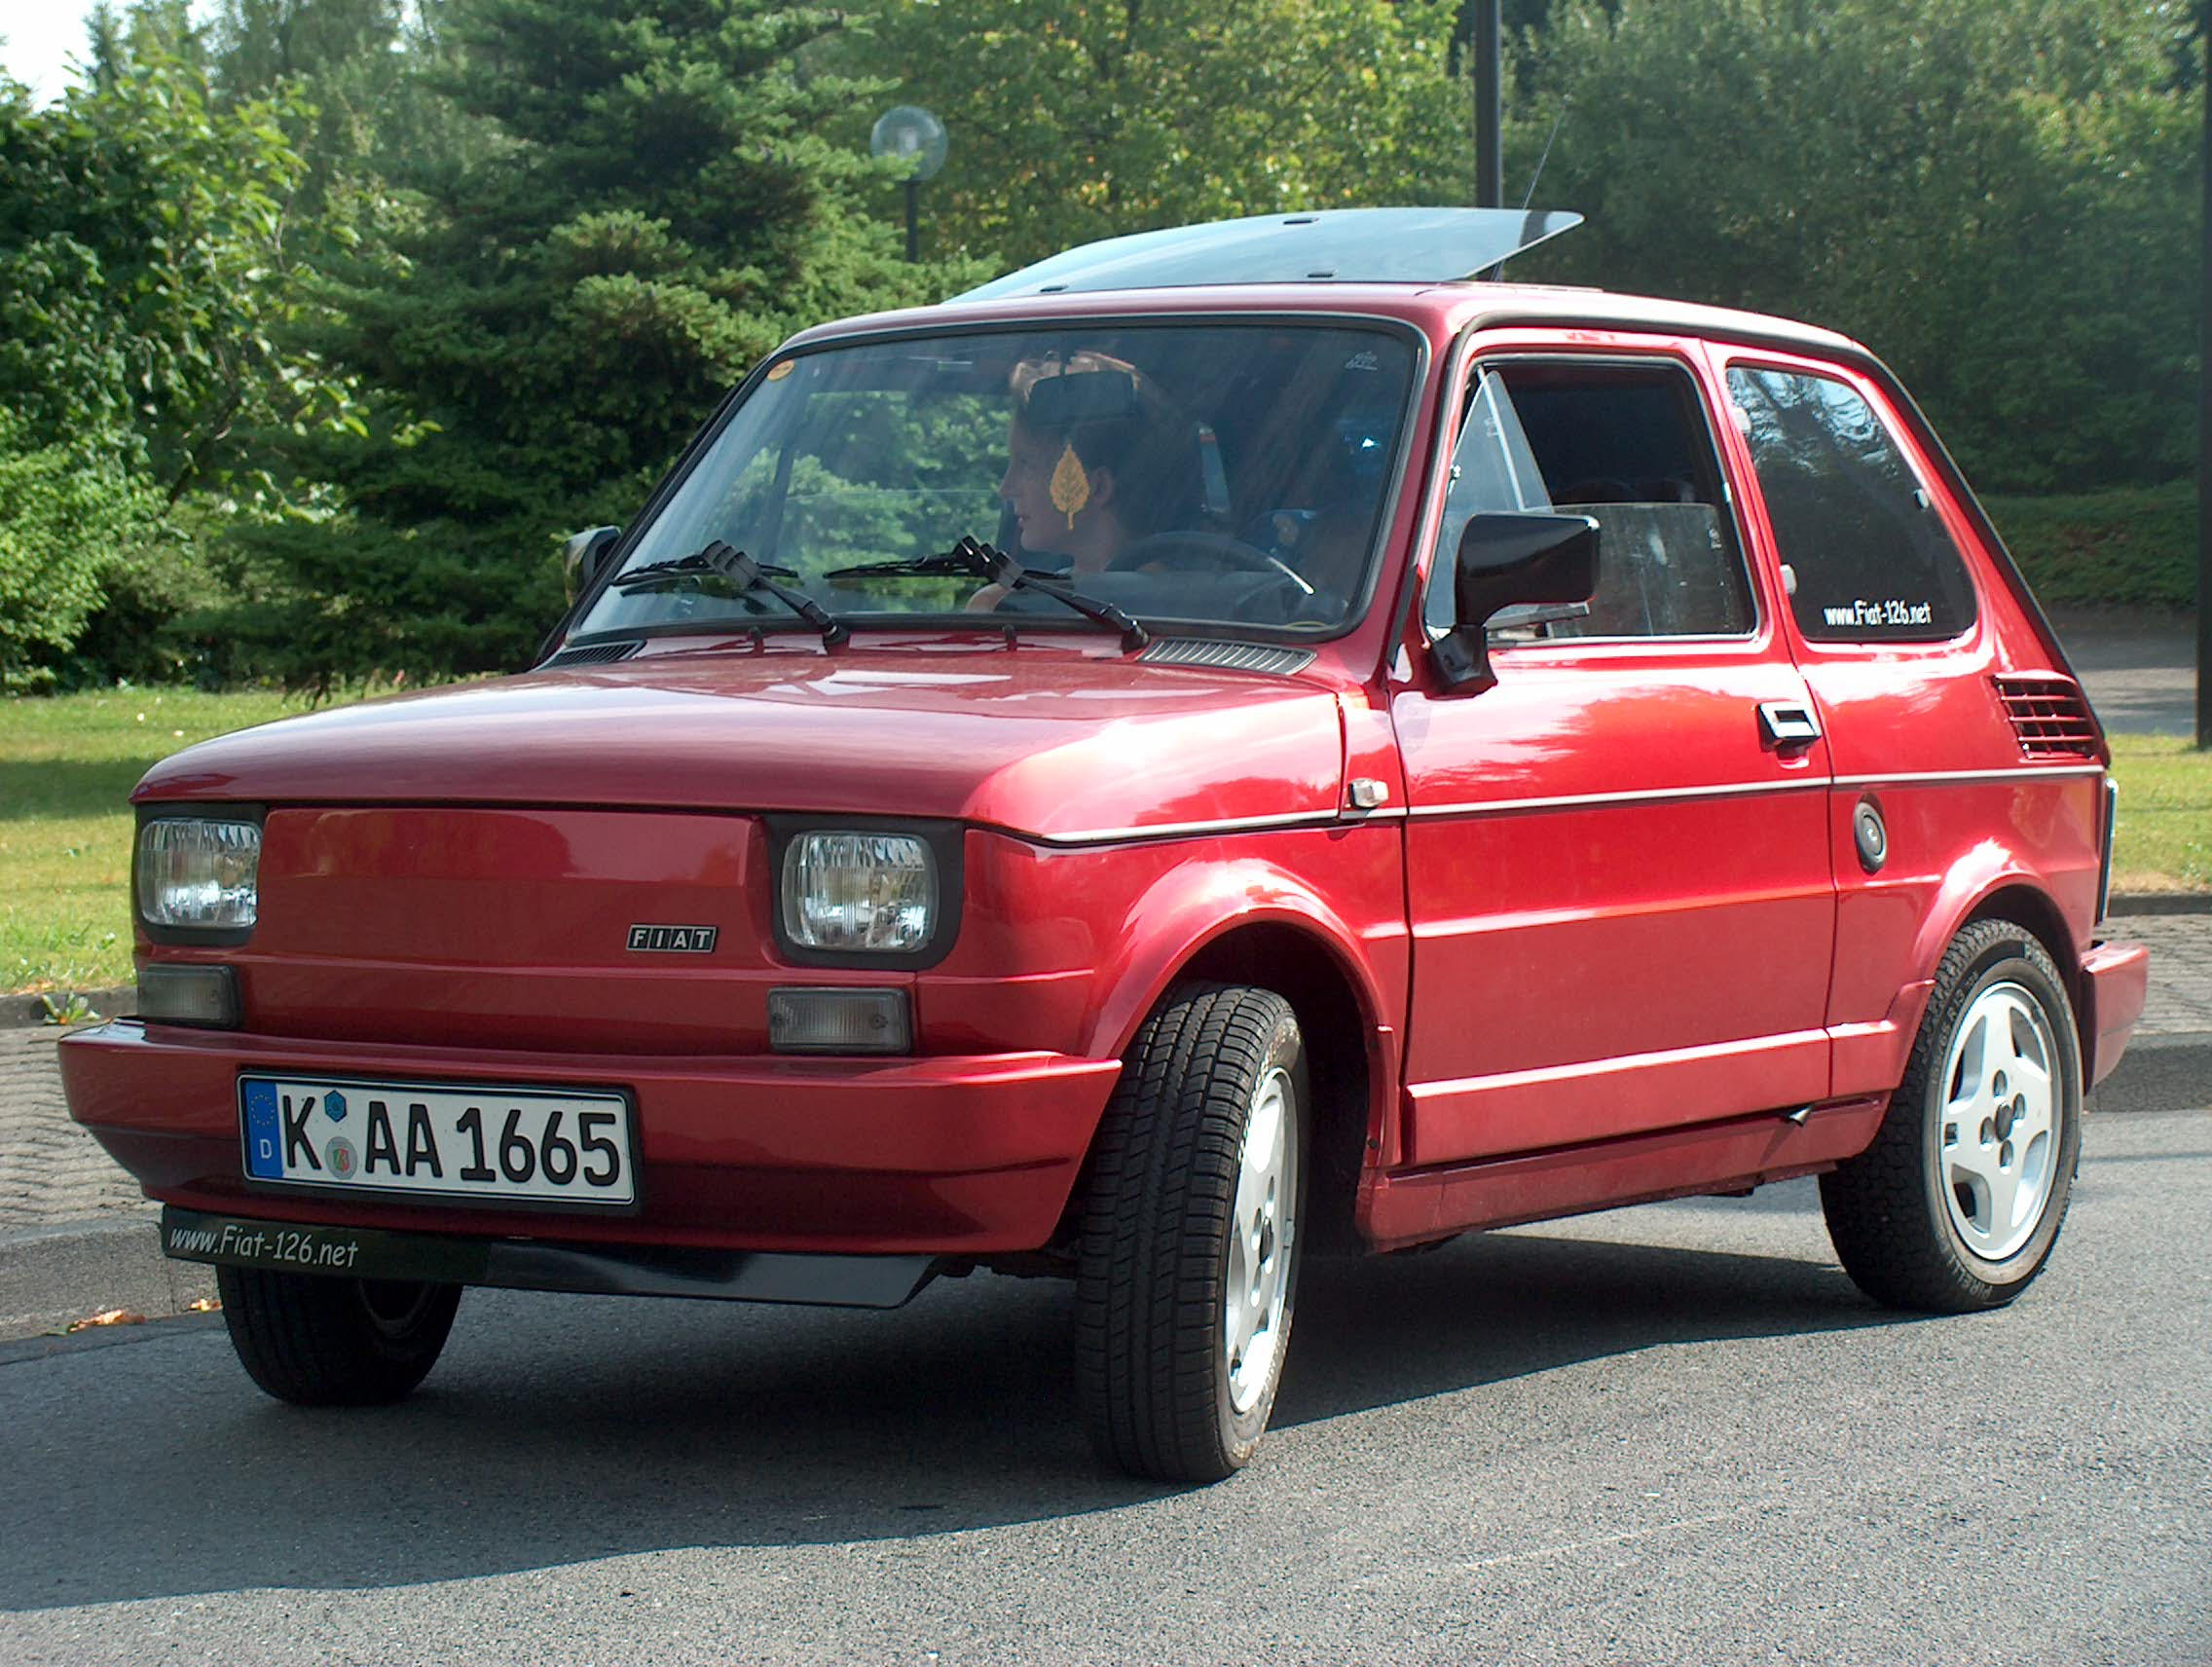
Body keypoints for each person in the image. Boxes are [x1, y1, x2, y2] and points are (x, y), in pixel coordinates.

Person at [969, 351, 1188, 611]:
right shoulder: (1200, 607)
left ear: (1097, 487)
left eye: (1026, 464)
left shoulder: (1005, 608)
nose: (1006, 488)